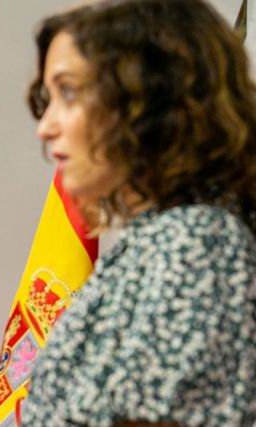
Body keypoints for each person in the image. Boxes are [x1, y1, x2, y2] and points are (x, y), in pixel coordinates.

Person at [21, 0, 256, 426]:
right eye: (48, 98)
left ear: (149, 96)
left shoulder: (196, 239)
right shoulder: (159, 237)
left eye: (69, 92)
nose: (46, 125)